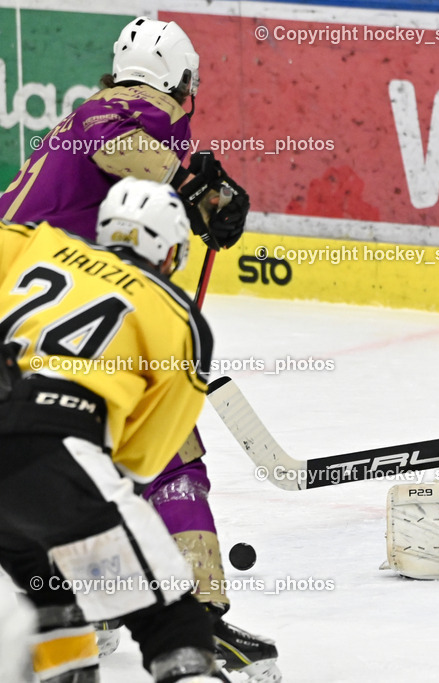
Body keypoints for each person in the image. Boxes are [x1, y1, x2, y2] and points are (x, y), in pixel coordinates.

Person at [0, 16, 277, 680]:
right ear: (183, 84)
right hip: (20, 298)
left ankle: (81, 609)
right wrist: (185, 179)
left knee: (48, 454)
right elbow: (120, 146)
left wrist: (190, 183)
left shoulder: (103, 113)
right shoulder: (123, 111)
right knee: (170, 449)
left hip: (23, 309)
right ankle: (197, 618)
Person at [0, 178, 225, 681]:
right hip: (55, 449)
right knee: (170, 618)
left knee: (51, 590)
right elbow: (142, 458)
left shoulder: (36, 242)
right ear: (170, 253)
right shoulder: (178, 316)